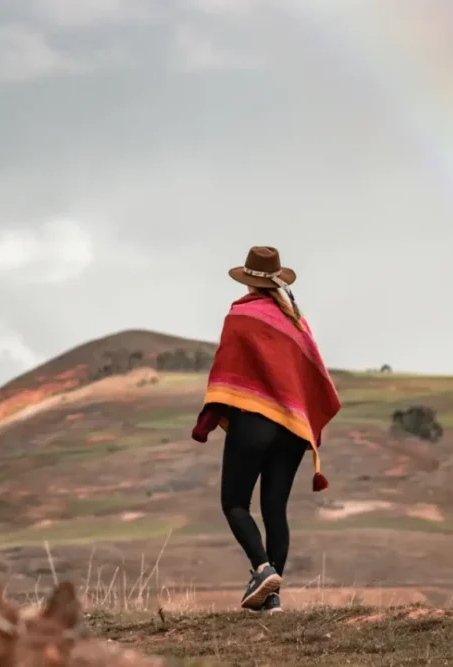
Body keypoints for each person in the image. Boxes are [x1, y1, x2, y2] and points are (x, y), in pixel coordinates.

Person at [191, 246, 341, 614]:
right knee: (275, 507)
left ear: (248, 280)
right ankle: (271, 600)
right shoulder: (297, 322)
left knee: (235, 503)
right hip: (291, 426)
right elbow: (310, 377)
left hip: (254, 420)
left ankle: (263, 570)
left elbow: (228, 368)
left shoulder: (240, 316)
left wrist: (214, 413)